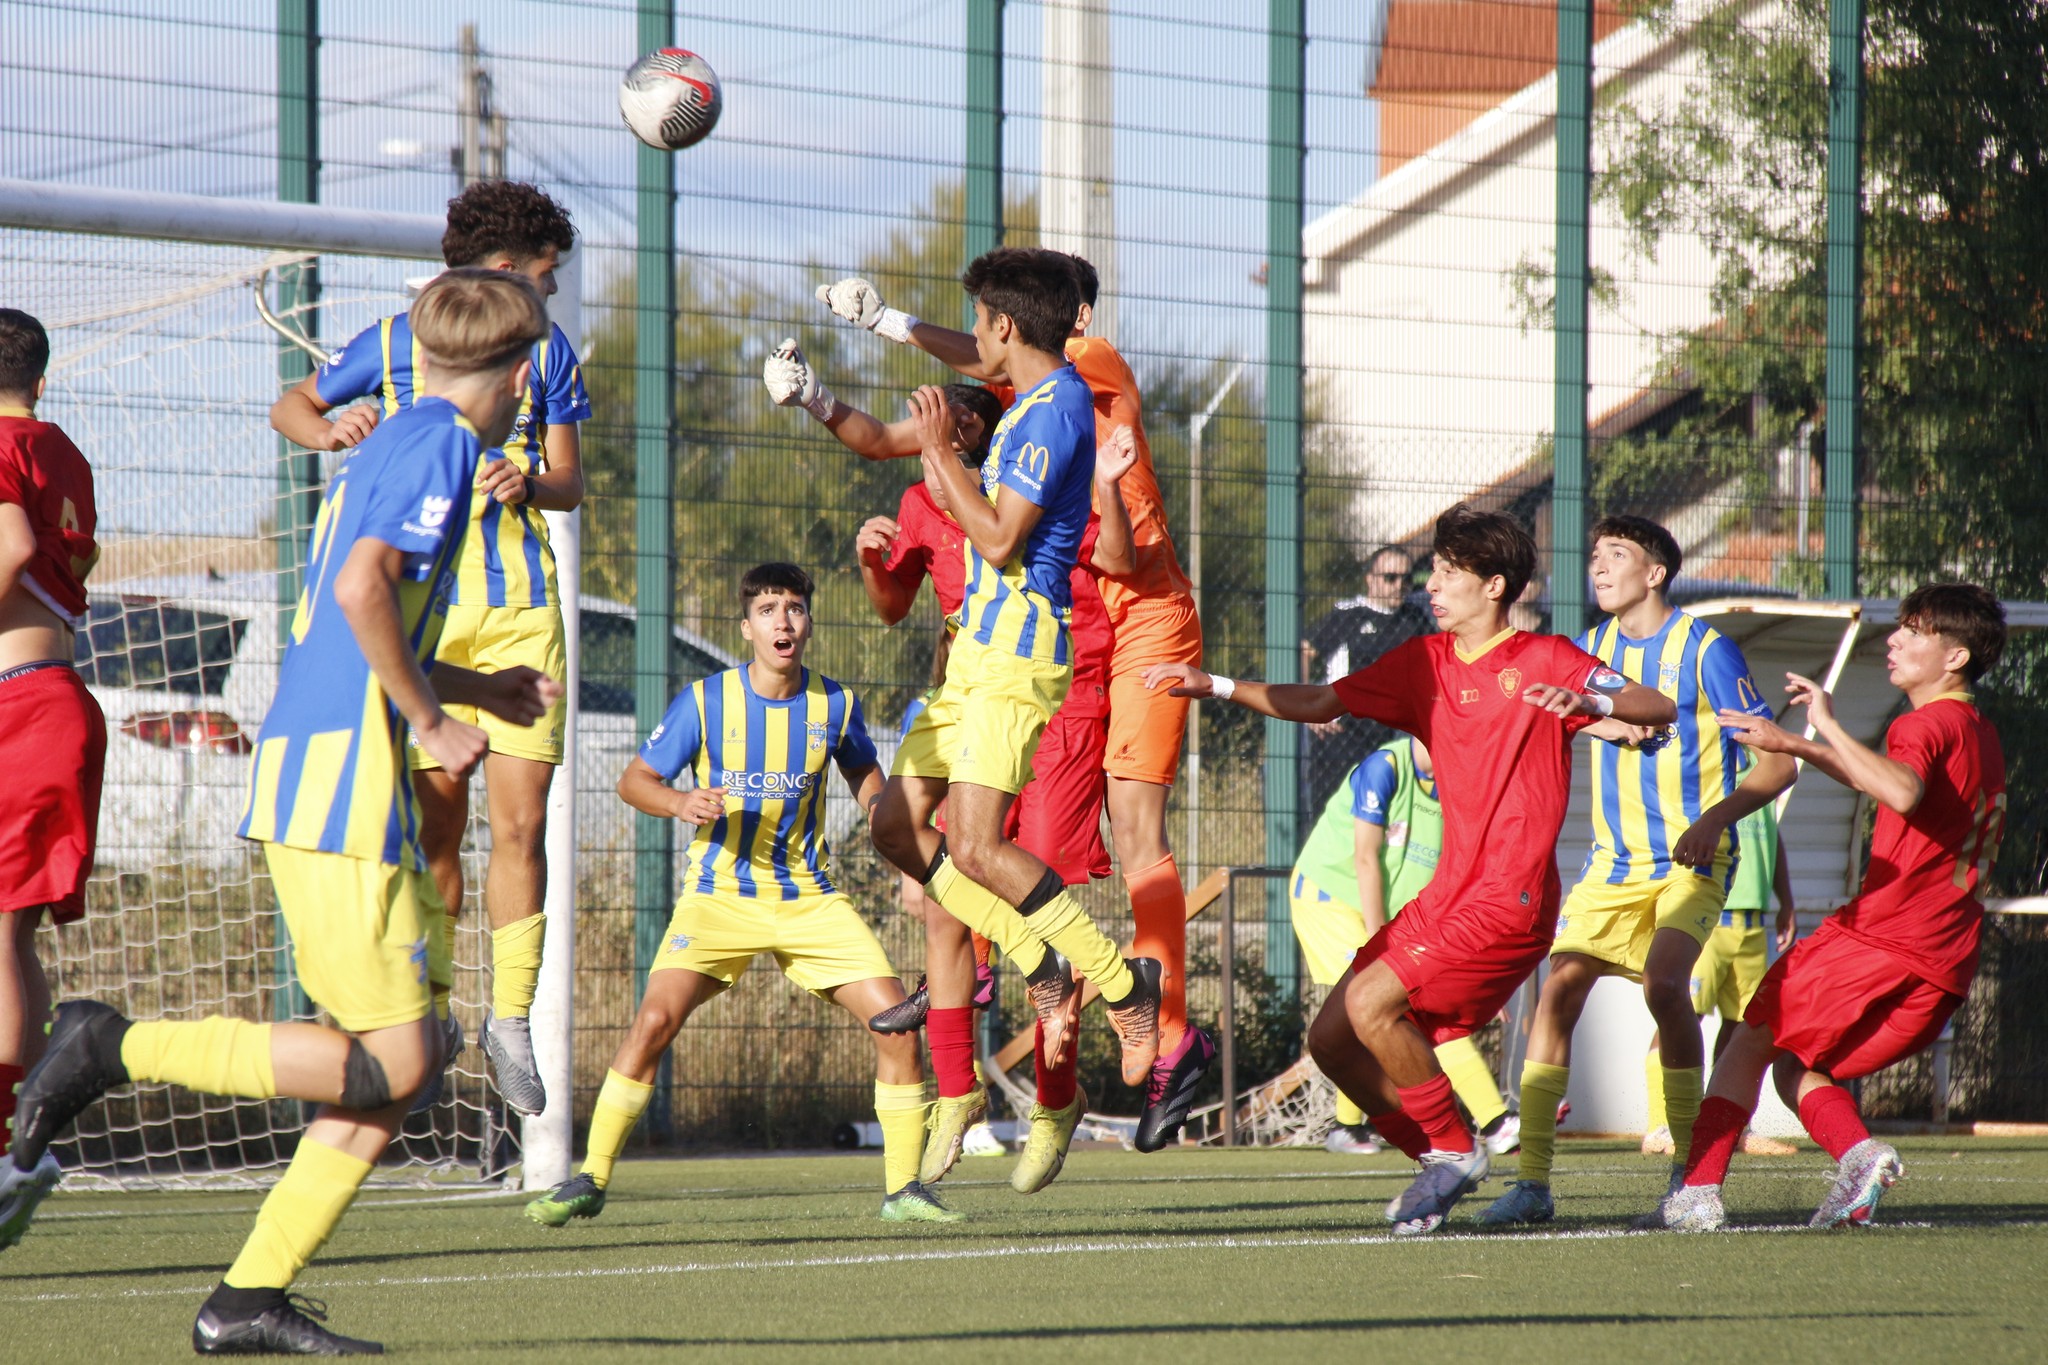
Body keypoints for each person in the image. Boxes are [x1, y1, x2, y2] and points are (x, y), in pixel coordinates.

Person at [8, 271, 559, 1352]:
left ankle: (246, 1299)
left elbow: (360, 619)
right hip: (344, 787)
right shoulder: (443, 443)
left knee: (394, 1066)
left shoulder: (397, 435)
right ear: (520, 370)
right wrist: (436, 724)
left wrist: (474, 689)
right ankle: (110, 1046)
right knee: (399, 1060)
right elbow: (361, 591)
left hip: (335, 773)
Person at [1146, 503, 1676, 1235]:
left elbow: (1658, 705)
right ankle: (1441, 1155)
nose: (1434, 582)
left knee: (1370, 1006)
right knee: (1331, 1040)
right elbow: (1322, 700)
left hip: (1508, 901)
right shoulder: (1422, 662)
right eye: (1436, 567)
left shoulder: (1548, 658)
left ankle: (1457, 1150)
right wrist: (1219, 686)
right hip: (1444, 900)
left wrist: (1590, 697)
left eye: (1451, 571)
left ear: (1495, 586)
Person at [818, 253, 1213, 1151]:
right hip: (973, 661)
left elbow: (998, 541)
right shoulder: (1029, 403)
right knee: (893, 825)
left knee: (980, 847)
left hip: (1023, 654)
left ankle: (1120, 985)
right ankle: (1036, 953)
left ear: (1004, 328)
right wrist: (879, 338)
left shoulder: (1061, 402)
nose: (973, 344)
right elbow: (960, 422)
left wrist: (934, 450)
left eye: (980, 323)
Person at [764, 350, 1132, 1189]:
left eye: (969, 414)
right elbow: (893, 603)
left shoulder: (1028, 469)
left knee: (1023, 884)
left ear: (992, 430)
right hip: (967, 681)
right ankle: (959, 1097)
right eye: (944, 415)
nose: (946, 421)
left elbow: (1106, 558)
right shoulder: (924, 485)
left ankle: (1056, 1097)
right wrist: (816, 402)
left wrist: (1102, 482)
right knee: (940, 899)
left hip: (1049, 687)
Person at [268, 181, 589, 1117]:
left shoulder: (547, 354)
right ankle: (438, 1012)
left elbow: (569, 481)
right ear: (503, 270)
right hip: (430, 618)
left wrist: (531, 479)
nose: (553, 295)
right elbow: (293, 404)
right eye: (545, 275)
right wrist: (330, 426)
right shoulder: (393, 341)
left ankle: (512, 1018)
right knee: (437, 826)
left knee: (524, 824)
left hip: (524, 607)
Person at [523, 563, 955, 1227]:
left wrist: (897, 844)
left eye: (794, 608)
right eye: (768, 609)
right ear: (746, 626)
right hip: (717, 895)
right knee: (653, 1021)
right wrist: (678, 799)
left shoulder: (834, 705)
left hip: (809, 898)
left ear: (809, 620)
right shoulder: (703, 702)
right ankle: (592, 1175)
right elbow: (634, 779)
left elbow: (869, 776)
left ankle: (904, 1190)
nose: (783, 621)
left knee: (895, 1020)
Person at [1641, 584, 2008, 1232]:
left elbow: (1898, 789)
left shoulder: (1922, 722)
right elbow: (1905, 791)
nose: (1894, 640)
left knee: (1752, 1034)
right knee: (1796, 1064)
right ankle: (1860, 1156)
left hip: (1885, 934)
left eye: (1914, 632)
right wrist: (1799, 745)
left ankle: (1695, 1192)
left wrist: (1829, 724)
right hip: (1945, 953)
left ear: (1955, 656)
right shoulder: (1976, 728)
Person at [1480, 516, 1794, 1227]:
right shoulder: (1587, 650)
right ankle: (1531, 1182)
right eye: (1594, 555)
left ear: (1655, 572)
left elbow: (1778, 761)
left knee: (1664, 984)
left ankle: (1690, 1178)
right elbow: (1542, 709)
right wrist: (1598, 719)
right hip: (1613, 862)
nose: (1598, 566)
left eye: (1615, 555)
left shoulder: (1706, 651)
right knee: (1556, 990)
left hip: (1693, 856)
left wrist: (1717, 817)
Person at [1288, 737, 1520, 1159]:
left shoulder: (1457, 782)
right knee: (1380, 1003)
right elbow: (1365, 859)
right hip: (1328, 899)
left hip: (1385, 912)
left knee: (1387, 1009)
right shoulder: (1385, 768)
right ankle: (1496, 1121)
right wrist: (1382, 952)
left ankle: (1346, 1127)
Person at [0, 310, 104, 1251]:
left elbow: (14, 550)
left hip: (18, 704)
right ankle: (16, 1147)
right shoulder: (60, 449)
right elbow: (75, 552)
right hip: (55, 695)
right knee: (11, 937)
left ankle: (6, 1152)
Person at [1642, 798, 1799, 1158]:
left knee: (1743, 1027)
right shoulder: (1717, 760)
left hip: (1753, 924)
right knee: (1679, 1014)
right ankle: (1658, 1125)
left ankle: (1727, 1126)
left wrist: (1785, 900)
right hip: (1709, 917)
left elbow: (1772, 837)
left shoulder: (1765, 772)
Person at [1299, 545, 1433, 813]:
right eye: (1390, 578)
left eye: (1406, 579)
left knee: (1387, 814)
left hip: (1392, 736)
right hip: (1343, 735)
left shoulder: (1414, 619)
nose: (1399, 585)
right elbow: (1304, 651)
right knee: (1337, 813)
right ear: (1370, 579)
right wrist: (1307, 708)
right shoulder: (1347, 615)